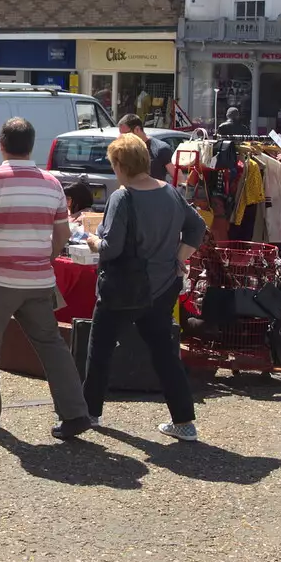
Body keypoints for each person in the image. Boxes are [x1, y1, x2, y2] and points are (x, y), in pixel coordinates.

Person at [0, 117, 93, 441]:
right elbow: (62, 234)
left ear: (1, 144)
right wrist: (42, 259)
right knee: (51, 346)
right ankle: (75, 412)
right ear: (33, 145)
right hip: (37, 280)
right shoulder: (51, 184)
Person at [82, 134, 207, 441]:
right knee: (165, 353)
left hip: (123, 286)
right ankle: (183, 421)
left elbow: (111, 248)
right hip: (163, 285)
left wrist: (93, 240)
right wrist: (179, 257)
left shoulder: (122, 197)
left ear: (120, 164)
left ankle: (89, 413)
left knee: (100, 350)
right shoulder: (170, 192)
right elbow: (197, 226)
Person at [117, 113, 172, 182]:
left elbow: (178, 178)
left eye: (126, 134)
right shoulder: (124, 149)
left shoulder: (160, 149)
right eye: (121, 135)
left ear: (137, 129)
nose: (123, 138)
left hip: (155, 191)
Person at [64, 181, 101, 252]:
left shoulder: (86, 215)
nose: (65, 201)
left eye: (68, 199)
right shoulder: (68, 211)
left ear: (79, 200)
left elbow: (86, 236)